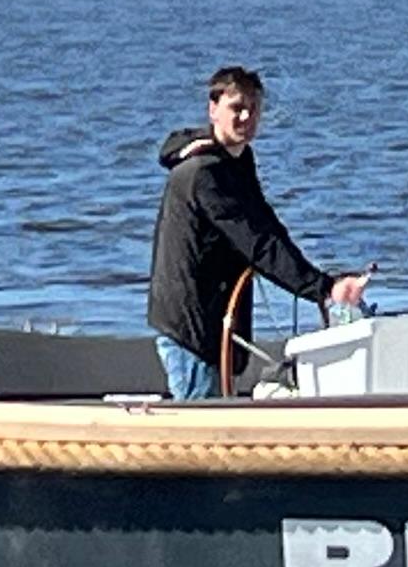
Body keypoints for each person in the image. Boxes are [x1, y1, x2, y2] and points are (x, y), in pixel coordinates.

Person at [147, 64, 372, 398]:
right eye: (236, 108)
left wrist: (325, 283)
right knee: (203, 419)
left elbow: (268, 227)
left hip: (217, 318)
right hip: (190, 327)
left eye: (253, 109)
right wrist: (323, 289)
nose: (246, 117)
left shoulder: (238, 160)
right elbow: (257, 243)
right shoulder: (203, 173)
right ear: (213, 109)